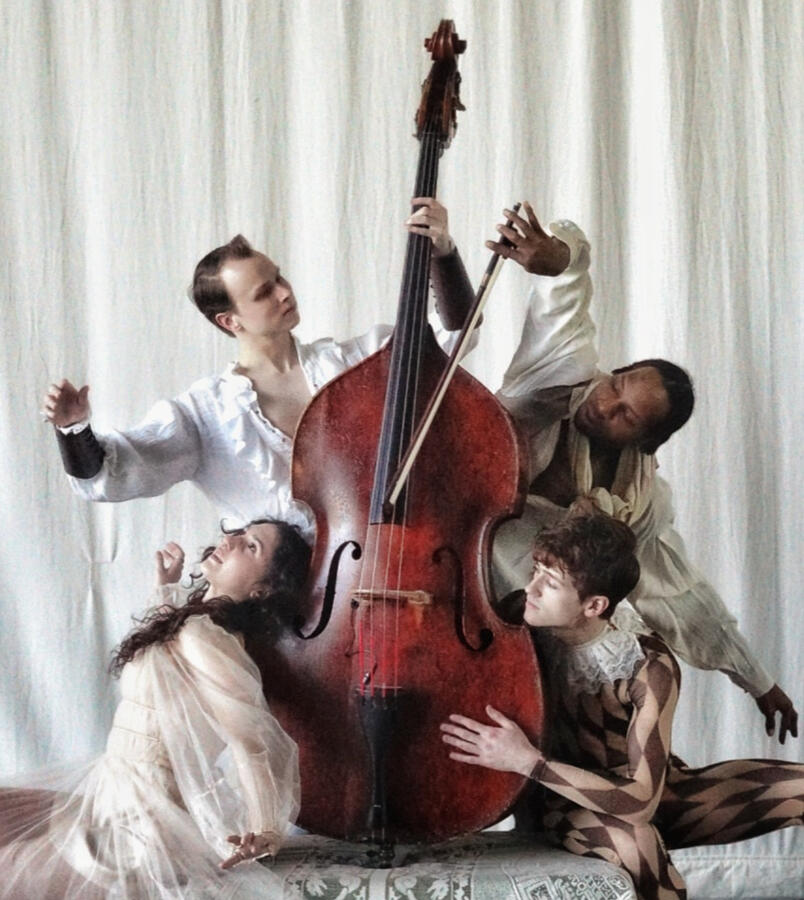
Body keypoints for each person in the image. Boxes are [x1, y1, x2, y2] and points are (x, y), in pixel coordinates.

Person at [486, 202, 797, 743]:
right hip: (467, 574)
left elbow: (677, 590)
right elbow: (568, 297)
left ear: (646, 442)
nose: (604, 404)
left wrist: (758, 679)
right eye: (616, 385)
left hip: (533, 634)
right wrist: (557, 259)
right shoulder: (559, 382)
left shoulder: (639, 499)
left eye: (626, 414)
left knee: (610, 622)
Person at [42, 199, 476, 536]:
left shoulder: (353, 362)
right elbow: (111, 476)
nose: (286, 293)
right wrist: (74, 430)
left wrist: (442, 253)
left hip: (378, 572)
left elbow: (455, 337)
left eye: (280, 278)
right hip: (278, 608)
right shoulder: (205, 413)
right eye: (265, 292)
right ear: (230, 321)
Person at [442, 514, 804, 900]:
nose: (530, 588)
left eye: (550, 582)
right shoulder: (516, 620)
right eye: (535, 571)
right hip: (566, 805)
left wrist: (528, 761)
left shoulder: (648, 664)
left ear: (594, 605)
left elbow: (641, 801)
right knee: (639, 848)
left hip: (646, 795)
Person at [0, 518, 311, 899]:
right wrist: (165, 587)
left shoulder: (208, 637)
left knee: (10, 863)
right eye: (239, 533)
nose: (230, 540)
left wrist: (266, 829)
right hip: (114, 789)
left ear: (261, 590)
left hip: (141, 821)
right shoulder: (197, 626)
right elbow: (168, 670)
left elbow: (252, 739)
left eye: (251, 546)